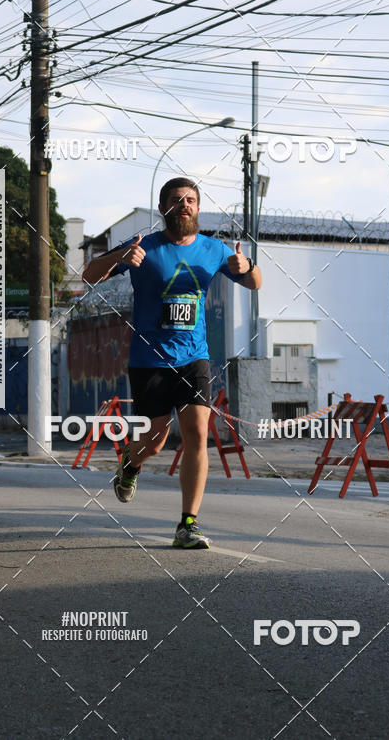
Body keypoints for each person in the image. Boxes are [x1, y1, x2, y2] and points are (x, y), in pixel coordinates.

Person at [82, 177, 262, 549]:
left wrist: (246, 266)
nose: (185, 205)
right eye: (177, 200)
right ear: (164, 207)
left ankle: (188, 524)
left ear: (198, 207)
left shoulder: (214, 250)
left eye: (191, 200)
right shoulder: (142, 246)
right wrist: (118, 257)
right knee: (155, 440)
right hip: (148, 359)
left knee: (198, 432)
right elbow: (88, 275)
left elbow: (255, 283)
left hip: (194, 357)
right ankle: (131, 466)